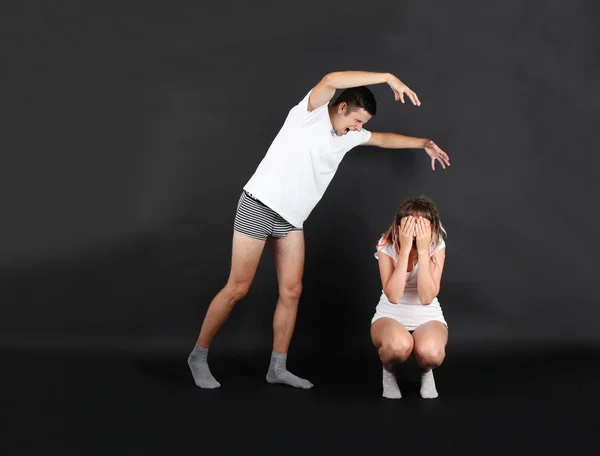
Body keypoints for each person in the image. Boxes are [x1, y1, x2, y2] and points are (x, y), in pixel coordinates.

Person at [188, 71, 451, 389]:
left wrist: (424, 143)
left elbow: (382, 139)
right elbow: (331, 78)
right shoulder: (308, 115)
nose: (358, 128)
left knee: (292, 291)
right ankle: (198, 357)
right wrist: (387, 78)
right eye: (356, 120)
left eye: (362, 124)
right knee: (238, 288)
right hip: (258, 206)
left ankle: (277, 368)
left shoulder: (349, 136)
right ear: (341, 107)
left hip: (291, 221)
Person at [370, 195, 448, 399]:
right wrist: (404, 250)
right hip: (390, 315)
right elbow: (394, 296)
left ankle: (426, 372)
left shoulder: (436, 246)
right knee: (398, 346)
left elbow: (426, 297)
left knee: (431, 353)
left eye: (421, 227)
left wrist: (423, 251)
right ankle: (388, 372)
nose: (414, 233)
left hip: (427, 315)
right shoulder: (386, 245)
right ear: (399, 227)